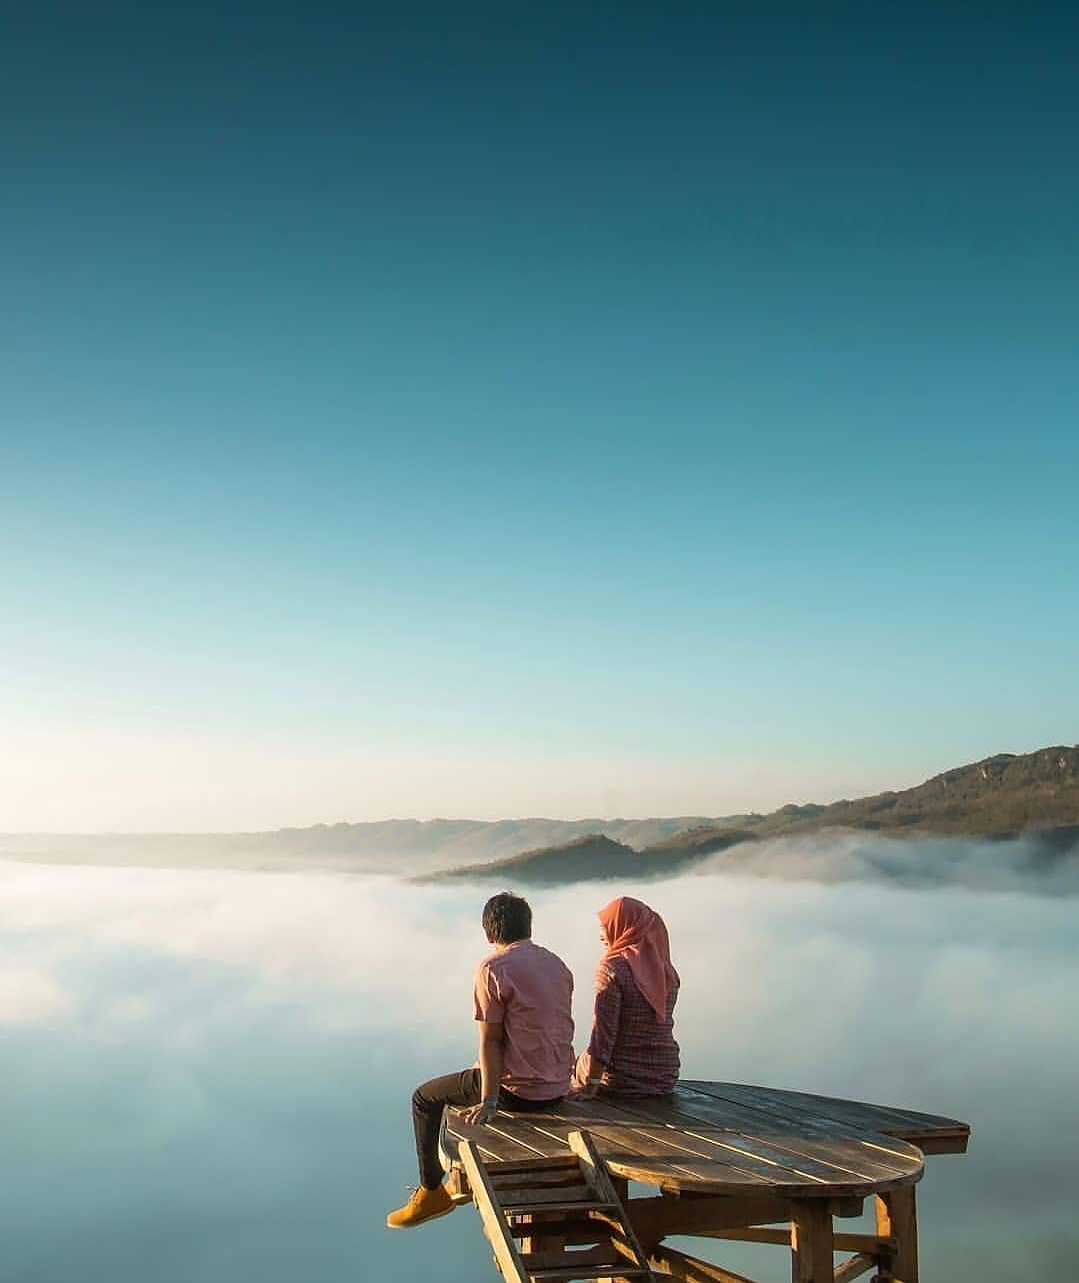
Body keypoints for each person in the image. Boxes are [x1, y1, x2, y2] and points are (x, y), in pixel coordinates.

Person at [386, 891, 574, 1230]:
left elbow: (492, 1041)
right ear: (528, 926)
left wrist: (489, 1100)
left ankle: (431, 1193)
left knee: (424, 1097)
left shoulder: (493, 968)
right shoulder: (556, 964)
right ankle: (445, 1185)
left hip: (520, 1091)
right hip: (558, 1085)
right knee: (460, 1084)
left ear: (489, 934)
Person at [572, 895, 680, 1099]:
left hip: (621, 1077)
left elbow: (603, 1035)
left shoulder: (612, 969)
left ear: (624, 926)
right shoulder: (667, 971)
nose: (601, 935)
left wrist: (591, 1084)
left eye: (606, 926)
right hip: (664, 1076)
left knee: (573, 1065)